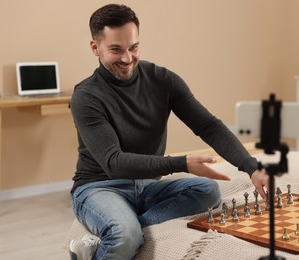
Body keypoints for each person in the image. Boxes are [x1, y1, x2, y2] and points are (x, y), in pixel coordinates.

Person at [69, 4, 270, 260]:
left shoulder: (163, 80)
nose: (127, 58)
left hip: (148, 185)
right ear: (95, 48)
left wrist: (251, 166)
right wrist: (182, 163)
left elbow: (208, 126)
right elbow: (114, 163)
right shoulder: (86, 96)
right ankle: (119, 232)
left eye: (134, 47)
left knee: (207, 191)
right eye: (116, 50)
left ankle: (103, 241)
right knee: (125, 235)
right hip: (99, 187)